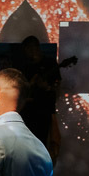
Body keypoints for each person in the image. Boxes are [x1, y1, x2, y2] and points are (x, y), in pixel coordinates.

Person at [18, 35, 62, 165]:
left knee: (45, 141)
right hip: (27, 111)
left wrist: (46, 87)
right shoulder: (25, 66)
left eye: (29, 49)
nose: (27, 52)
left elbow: (57, 85)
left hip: (45, 110)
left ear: (35, 48)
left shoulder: (49, 63)